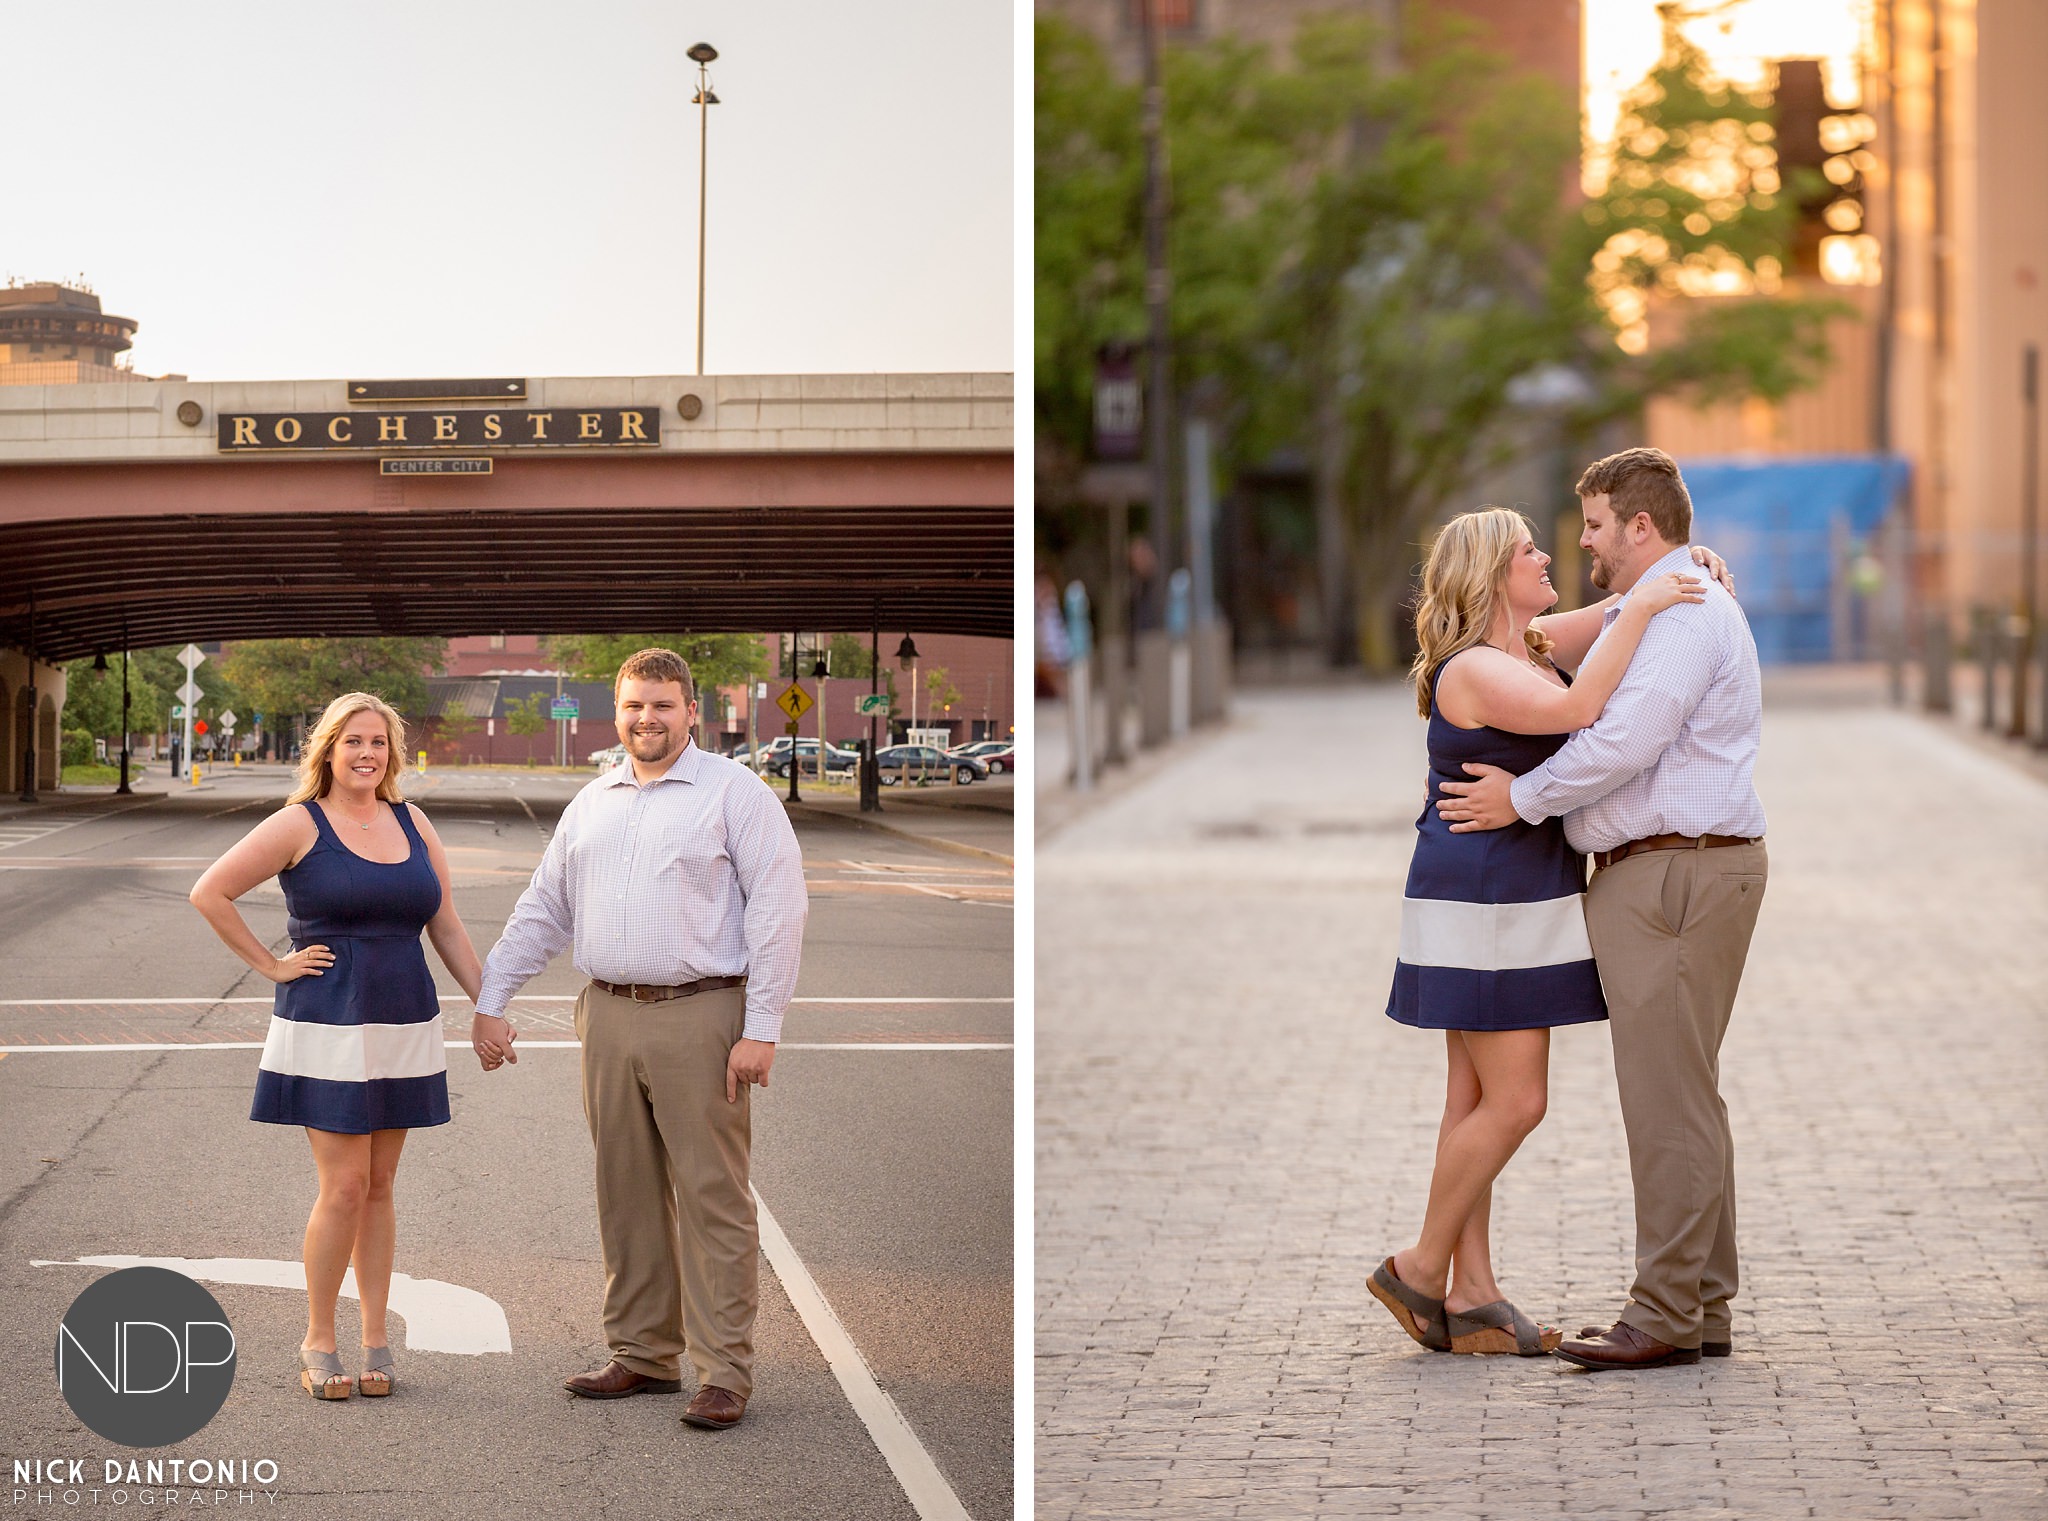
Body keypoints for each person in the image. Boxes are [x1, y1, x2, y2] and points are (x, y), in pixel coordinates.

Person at [1435, 448, 1767, 1371]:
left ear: (1641, 526)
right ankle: (1699, 1303)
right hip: (1668, 872)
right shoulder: (1655, 603)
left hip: (1675, 874)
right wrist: (1665, 580)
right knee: (1683, 1091)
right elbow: (1553, 640)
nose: (1580, 542)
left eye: (1592, 525)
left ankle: (1664, 1312)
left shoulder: (1684, 615)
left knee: (1667, 1100)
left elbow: (1618, 739)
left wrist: (1521, 798)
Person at [1366, 506, 1719, 1357]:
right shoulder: (1479, 668)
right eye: (1529, 550)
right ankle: (1419, 1266)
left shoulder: (1523, 645)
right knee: (1518, 1101)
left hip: (1501, 889)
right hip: (1488, 897)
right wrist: (1646, 605)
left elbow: (1607, 612)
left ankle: (1474, 1294)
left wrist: (1682, 567)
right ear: (1497, 574)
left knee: (1471, 1099)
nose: (1547, 556)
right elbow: (1583, 707)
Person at [471, 647, 808, 1430]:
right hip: (607, 1014)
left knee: (712, 1195)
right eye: (633, 705)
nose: (646, 718)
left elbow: (778, 909)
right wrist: (492, 996)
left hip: (702, 1013)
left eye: (661, 704)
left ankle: (723, 1371)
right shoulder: (591, 802)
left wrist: (762, 1027)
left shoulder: (736, 793)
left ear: (691, 710)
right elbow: (544, 909)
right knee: (624, 1191)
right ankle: (644, 1351)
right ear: (616, 713)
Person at [189, 691, 482, 1400]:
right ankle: (319, 1336)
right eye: (353, 741)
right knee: (345, 1185)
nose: (366, 754)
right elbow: (210, 892)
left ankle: (376, 1336)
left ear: (392, 752)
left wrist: (490, 1004)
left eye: (378, 742)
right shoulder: (299, 822)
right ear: (328, 749)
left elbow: (445, 923)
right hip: (326, 1018)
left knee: (380, 1184)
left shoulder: (412, 821)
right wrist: (272, 965)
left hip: (403, 1015)